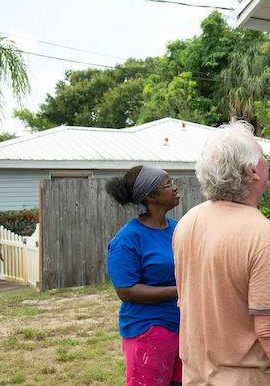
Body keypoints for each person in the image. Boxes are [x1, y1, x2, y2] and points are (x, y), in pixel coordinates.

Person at [172, 120, 270, 385]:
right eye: (263, 157)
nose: (267, 163)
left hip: (195, 377)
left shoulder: (188, 222)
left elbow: (184, 301)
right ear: (252, 171)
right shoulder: (261, 234)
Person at [105, 165, 182, 385]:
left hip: (183, 328)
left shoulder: (178, 229)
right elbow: (126, 291)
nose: (175, 188)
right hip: (148, 331)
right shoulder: (128, 239)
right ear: (150, 196)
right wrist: (181, 290)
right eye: (168, 184)